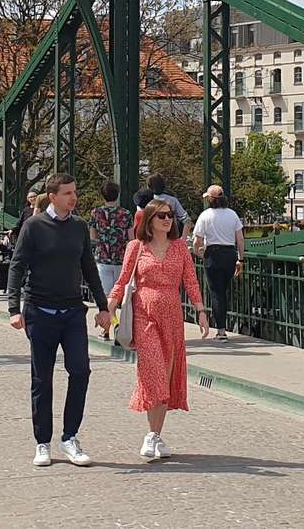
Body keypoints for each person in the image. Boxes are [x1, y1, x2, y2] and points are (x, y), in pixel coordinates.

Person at [7, 174, 111, 468]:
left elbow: (89, 267)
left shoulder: (79, 226)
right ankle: (42, 442)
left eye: (74, 192)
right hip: (40, 313)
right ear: (52, 196)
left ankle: (70, 437)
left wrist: (103, 307)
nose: (73, 198)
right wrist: (14, 308)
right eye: (67, 193)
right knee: (42, 379)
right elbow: (17, 266)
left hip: (72, 313)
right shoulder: (33, 226)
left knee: (81, 371)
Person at [107, 199, 207, 459]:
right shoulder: (136, 248)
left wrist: (201, 312)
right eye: (161, 215)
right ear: (149, 220)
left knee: (166, 374)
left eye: (170, 216)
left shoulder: (180, 249)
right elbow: (121, 282)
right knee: (154, 373)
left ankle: (155, 435)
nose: (167, 219)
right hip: (144, 316)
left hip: (173, 318)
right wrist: (108, 309)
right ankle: (153, 436)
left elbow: (191, 282)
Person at [191, 185, 245, 340]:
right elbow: (240, 239)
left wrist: (199, 252)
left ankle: (221, 331)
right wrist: (240, 259)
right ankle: (223, 327)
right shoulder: (232, 215)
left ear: (209, 199)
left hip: (212, 254)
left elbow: (197, 240)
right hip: (229, 254)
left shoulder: (205, 215)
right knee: (224, 291)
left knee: (216, 293)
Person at [90, 180, 132, 296]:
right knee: (120, 294)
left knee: (106, 295)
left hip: (103, 257)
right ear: (117, 195)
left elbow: (92, 236)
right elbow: (131, 238)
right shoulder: (126, 213)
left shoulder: (96, 213)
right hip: (121, 258)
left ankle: (110, 314)